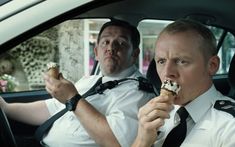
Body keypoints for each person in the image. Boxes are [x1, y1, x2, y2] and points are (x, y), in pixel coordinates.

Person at [0, 19, 154, 147]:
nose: (111, 48)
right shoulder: (91, 80)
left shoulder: (139, 93)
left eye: (121, 43)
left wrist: (73, 99)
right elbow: (51, 109)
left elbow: (115, 141)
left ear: (134, 54)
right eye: (105, 42)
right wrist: (5, 107)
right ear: (96, 53)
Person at [132, 19, 235, 147]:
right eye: (161, 61)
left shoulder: (230, 127)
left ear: (212, 65)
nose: (167, 72)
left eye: (182, 61)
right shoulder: (155, 115)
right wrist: (142, 141)